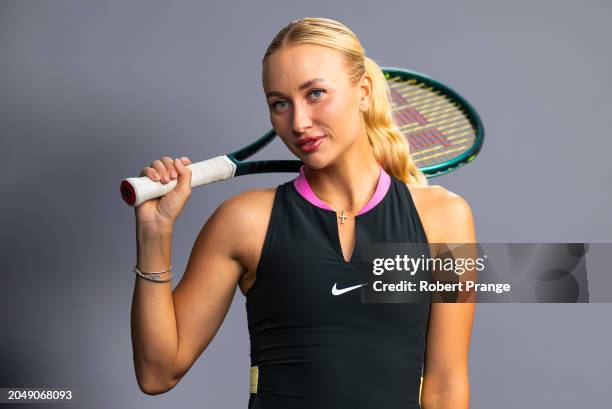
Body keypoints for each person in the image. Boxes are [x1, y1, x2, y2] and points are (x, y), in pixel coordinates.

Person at [131, 17, 475, 409]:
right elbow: (157, 373)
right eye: (280, 103)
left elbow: (446, 385)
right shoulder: (243, 222)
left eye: (315, 94)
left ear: (363, 92)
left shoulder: (445, 217)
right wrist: (154, 235)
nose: (298, 122)